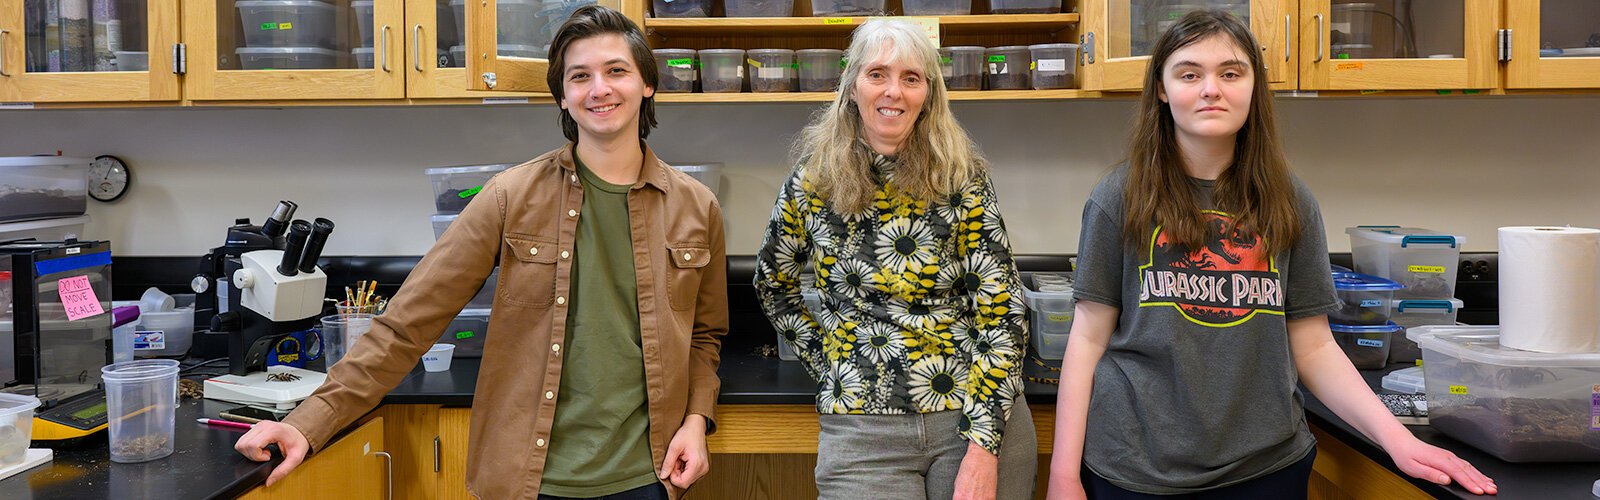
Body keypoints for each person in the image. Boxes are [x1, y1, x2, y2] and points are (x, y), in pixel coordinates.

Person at [233, 6, 730, 499]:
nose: (599, 88)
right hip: (527, 477)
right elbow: (407, 324)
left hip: (648, 474)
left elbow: (704, 337)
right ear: (562, 96)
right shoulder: (508, 196)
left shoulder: (696, 206)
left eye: (616, 71)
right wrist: (308, 422)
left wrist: (695, 419)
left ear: (647, 83)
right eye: (580, 76)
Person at [1045, 10, 1496, 499]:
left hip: (1266, 467)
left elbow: (1315, 346)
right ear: (1161, 88)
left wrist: (1397, 437)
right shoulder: (1118, 197)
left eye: (1231, 73)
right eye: (1189, 73)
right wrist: (1063, 477)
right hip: (1134, 467)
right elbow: (1087, 339)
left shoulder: (1289, 199)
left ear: (1254, 87)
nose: (1211, 89)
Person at [753, 18, 1036, 500]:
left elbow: (1002, 312)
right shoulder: (813, 181)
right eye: (877, 74)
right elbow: (771, 285)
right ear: (852, 85)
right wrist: (831, 361)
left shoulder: (962, 178)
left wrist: (984, 447)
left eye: (912, 78)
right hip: (861, 426)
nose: (894, 92)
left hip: (972, 414)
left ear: (929, 93)